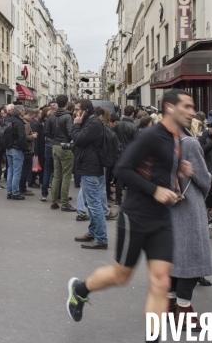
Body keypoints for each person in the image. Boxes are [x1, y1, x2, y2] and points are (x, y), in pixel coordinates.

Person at [66, 89, 194, 332]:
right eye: (187, 106)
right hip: (136, 217)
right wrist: (155, 190)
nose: (192, 111)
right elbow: (122, 169)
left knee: (161, 281)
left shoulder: (176, 136)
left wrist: (178, 170)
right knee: (121, 276)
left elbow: (155, 167)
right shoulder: (151, 136)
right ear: (169, 108)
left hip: (162, 219)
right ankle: (80, 290)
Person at [168, 129, 212, 329]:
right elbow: (203, 178)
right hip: (187, 206)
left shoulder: (160, 140)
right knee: (192, 257)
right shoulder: (190, 143)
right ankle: (184, 309)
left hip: (165, 205)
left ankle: (169, 303)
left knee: (173, 257)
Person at [71, 100, 109, 250]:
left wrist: (75, 124)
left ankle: (101, 238)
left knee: (94, 205)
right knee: (92, 203)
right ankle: (93, 232)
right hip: (90, 166)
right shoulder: (90, 121)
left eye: (77, 109)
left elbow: (78, 139)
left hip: (91, 167)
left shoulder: (93, 123)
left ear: (85, 110)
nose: (75, 112)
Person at [45, 95, 75, 211]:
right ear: (66, 104)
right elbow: (70, 132)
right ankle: (64, 203)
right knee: (66, 176)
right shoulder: (68, 116)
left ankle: (53, 201)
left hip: (55, 146)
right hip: (65, 146)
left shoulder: (52, 116)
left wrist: (55, 139)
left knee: (57, 175)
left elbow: (47, 131)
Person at [113, 105, 138, 206]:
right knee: (131, 175)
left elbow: (115, 137)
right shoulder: (134, 126)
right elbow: (136, 142)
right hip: (129, 151)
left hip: (119, 150)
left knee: (120, 176)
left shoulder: (118, 125)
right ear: (132, 113)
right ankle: (130, 199)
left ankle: (118, 198)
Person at [6, 106, 28, 200]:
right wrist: (25, 148)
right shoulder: (19, 122)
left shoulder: (8, 120)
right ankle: (15, 193)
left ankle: (9, 191)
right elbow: (22, 138)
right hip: (17, 149)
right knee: (17, 172)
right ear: (20, 113)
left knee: (10, 170)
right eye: (23, 111)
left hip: (8, 148)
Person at [19, 108, 37, 197]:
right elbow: (25, 137)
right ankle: (22, 188)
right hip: (27, 149)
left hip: (25, 150)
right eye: (32, 117)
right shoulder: (26, 124)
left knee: (24, 170)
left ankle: (22, 188)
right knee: (25, 170)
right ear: (28, 115)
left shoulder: (23, 122)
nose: (32, 119)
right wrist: (32, 136)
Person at [28, 108, 44, 189]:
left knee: (34, 165)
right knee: (34, 165)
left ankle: (32, 180)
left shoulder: (36, 123)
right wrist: (36, 150)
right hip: (36, 148)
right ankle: (31, 181)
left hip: (37, 147)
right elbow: (36, 138)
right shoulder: (35, 124)